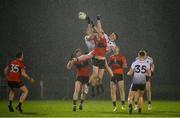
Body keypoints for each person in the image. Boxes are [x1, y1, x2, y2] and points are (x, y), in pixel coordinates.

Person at [81, 15, 119, 96]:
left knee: (99, 76)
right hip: (94, 49)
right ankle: (113, 78)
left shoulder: (113, 45)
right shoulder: (104, 36)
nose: (111, 36)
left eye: (113, 36)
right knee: (89, 56)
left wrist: (111, 50)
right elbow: (99, 28)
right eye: (112, 34)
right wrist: (98, 20)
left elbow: (111, 50)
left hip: (100, 54)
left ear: (115, 39)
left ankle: (94, 86)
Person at [127, 50, 151, 114]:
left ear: (138, 55)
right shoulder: (147, 64)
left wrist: (128, 73)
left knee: (130, 96)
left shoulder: (134, 63)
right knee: (140, 96)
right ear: (144, 55)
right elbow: (149, 74)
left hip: (135, 81)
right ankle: (140, 110)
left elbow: (130, 73)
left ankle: (130, 106)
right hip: (143, 82)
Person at [108, 47, 127, 111]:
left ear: (118, 49)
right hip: (113, 75)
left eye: (116, 48)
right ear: (113, 50)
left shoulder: (122, 56)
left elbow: (125, 66)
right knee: (113, 91)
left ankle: (123, 105)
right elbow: (108, 66)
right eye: (114, 48)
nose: (115, 48)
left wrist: (124, 63)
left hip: (120, 74)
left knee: (121, 89)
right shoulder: (111, 57)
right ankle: (114, 106)